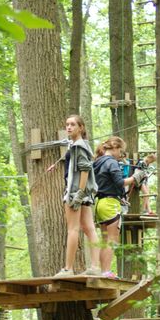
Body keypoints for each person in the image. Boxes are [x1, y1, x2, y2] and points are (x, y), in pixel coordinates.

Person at [93, 137, 149, 278]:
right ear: (115, 148)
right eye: (121, 151)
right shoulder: (111, 162)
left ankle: (103, 271)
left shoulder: (97, 162)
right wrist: (137, 176)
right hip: (110, 204)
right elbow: (120, 183)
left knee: (106, 240)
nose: (121, 155)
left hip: (100, 203)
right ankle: (106, 271)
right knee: (112, 239)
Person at [54, 115, 101, 278]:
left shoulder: (78, 146)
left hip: (75, 193)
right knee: (90, 229)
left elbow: (85, 169)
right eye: (67, 124)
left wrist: (79, 194)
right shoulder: (81, 145)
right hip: (83, 194)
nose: (68, 127)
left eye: (72, 124)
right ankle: (95, 266)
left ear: (81, 128)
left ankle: (68, 268)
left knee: (73, 229)